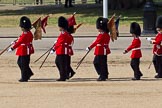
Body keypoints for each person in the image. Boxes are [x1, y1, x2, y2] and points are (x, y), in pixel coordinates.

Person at [8, 16, 34, 82]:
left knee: (23, 64)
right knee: (20, 63)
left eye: (22, 27)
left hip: (25, 50)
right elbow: (20, 40)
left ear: (25, 28)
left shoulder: (26, 34)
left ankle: (24, 77)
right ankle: (29, 73)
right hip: (23, 50)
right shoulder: (26, 33)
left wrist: (12, 47)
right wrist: (15, 42)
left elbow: (20, 41)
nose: (21, 28)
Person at [86, 17, 110, 81]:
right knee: (103, 63)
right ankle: (105, 74)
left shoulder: (102, 35)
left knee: (97, 63)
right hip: (102, 50)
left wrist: (90, 47)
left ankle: (102, 75)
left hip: (101, 51)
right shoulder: (105, 34)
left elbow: (96, 42)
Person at [50, 16, 69, 81]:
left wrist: (53, 49)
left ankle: (63, 76)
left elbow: (59, 43)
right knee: (59, 63)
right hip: (61, 50)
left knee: (60, 63)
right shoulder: (63, 33)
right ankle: (64, 75)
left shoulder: (64, 34)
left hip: (62, 51)